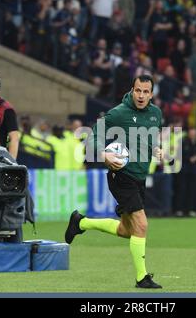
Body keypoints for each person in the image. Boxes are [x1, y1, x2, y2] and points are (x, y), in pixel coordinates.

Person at [65, 75, 163, 288]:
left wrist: (157, 150)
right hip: (121, 176)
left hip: (139, 178)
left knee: (126, 231)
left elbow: (150, 140)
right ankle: (141, 278)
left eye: (146, 92)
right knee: (142, 225)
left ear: (151, 94)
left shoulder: (156, 114)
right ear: (132, 89)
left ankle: (80, 222)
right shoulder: (119, 113)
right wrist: (104, 154)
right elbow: (94, 136)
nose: (141, 95)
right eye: (138, 90)